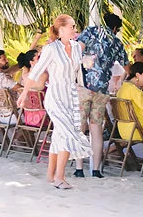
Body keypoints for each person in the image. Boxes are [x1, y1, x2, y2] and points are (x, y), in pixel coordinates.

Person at [23, 14, 92, 190]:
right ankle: (60, 177)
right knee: (68, 134)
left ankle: (50, 175)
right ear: (61, 29)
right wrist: (24, 93)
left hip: (71, 96)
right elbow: (36, 72)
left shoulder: (77, 48)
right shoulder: (51, 49)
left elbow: (77, 73)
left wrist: (85, 70)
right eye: (72, 27)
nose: (75, 30)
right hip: (55, 97)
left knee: (60, 135)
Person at [75, 13, 128, 178]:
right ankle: (96, 169)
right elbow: (127, 68)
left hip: (84, 86)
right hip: (102, 89)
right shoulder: (117, 42)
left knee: (80, 128)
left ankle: (79, 168)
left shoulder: (90, 32)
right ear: (115, 28)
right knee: (96, 128)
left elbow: (77, 52)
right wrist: (118, 83)